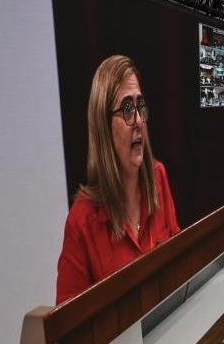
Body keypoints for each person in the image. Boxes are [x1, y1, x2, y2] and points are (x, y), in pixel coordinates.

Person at [56, 55, 180, 305]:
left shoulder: (158, 177)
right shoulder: (81, 222)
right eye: (126, 108)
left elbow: (177, 264)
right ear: (103, 125)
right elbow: (68, 333)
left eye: (140, 106)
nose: (138, 120)